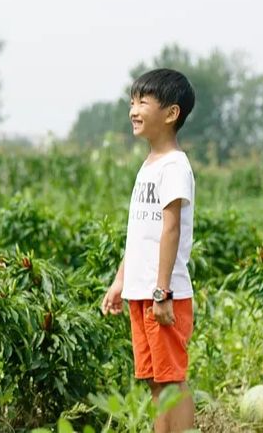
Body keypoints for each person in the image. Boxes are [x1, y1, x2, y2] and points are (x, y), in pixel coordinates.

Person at [100, 68, 197, 433]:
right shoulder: (149, 165)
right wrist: (120, 281)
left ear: (171, 113)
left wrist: (162, 292)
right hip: (142, 293)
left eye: (143, 101)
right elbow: (140, 233)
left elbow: (170, 229)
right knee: (156, 380)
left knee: (172, 380)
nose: (133, 110)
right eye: (131, 101)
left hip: (163, 295)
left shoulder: (175, 166)